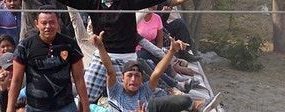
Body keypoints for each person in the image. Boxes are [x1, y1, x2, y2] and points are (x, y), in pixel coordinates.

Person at [32, 0, 206, 103]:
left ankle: (184, 102)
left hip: (127, 58)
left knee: (135, 98)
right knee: (86, 95)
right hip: (102, 57)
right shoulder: (92, 2)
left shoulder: (128, 0)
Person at [90, 31, 221, 112]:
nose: (134, 80)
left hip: (153, 104)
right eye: (130, 76)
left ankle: (199, 104)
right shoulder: (115, 91)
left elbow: (157, 73)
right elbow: (110, 69)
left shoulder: (144, 91)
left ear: (142, 79)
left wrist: (172, 51)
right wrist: (100, 46)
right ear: (122, 78)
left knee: (184, 100)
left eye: (137, 76)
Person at [7, 5, 89, 112]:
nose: (48, 26)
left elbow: (79, 78)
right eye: (44, 23)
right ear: (36, 23)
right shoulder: (25, 47)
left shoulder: (70, 45)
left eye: (52, 22)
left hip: (65, 106)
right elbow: (16, 81)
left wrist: (86, 108)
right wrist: (9, 109)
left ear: (58, 22)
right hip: (36, 107)